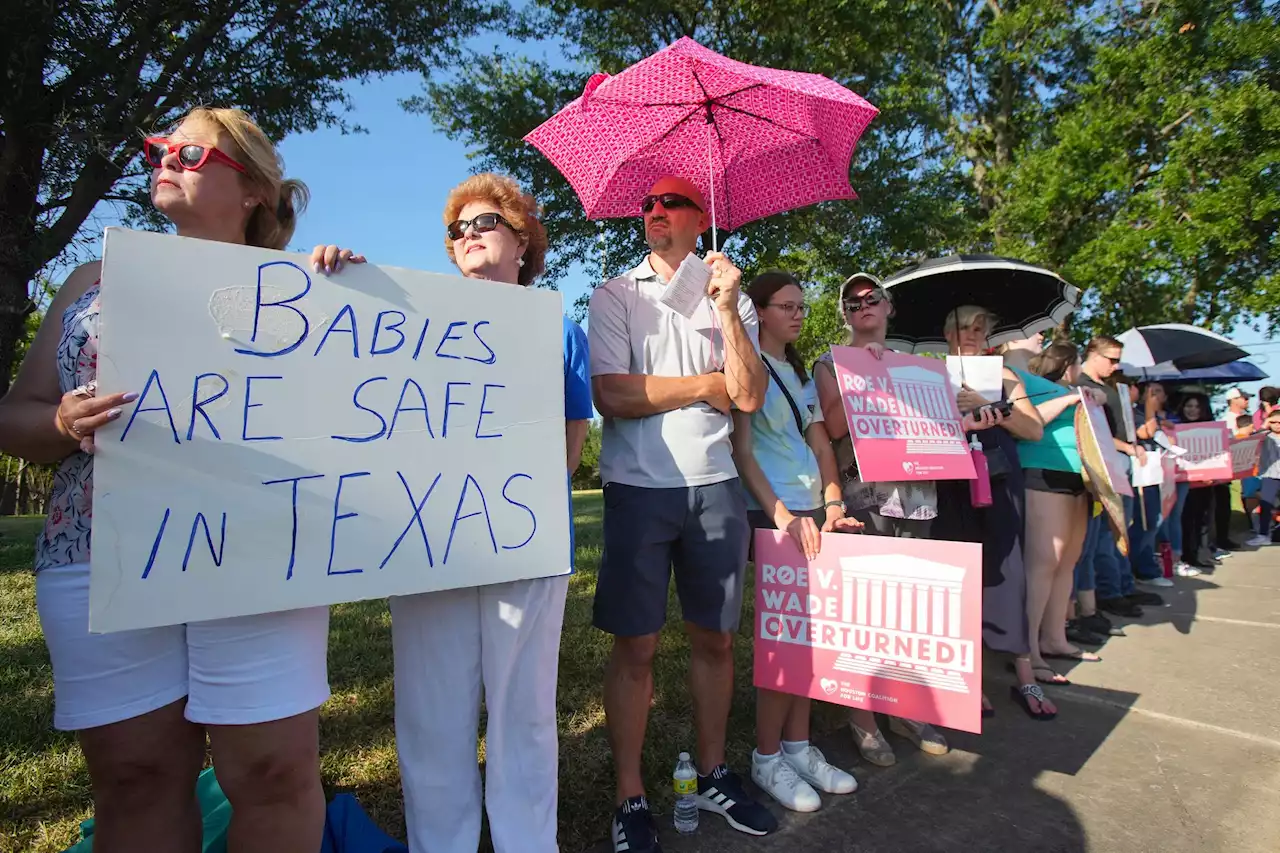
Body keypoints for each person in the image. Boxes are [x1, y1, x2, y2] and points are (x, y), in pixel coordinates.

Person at [0, 107, 327, 853]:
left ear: (251, 189)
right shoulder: (94, 277)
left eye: (188, 151)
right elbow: (14, 414)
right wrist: (59, 424)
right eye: (158, 149)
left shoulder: (305, 290)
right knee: (136, 776)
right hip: (99, 552)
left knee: (275, 772)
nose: (163, 159)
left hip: (260, 551)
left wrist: (348, 287)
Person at [312, 173, 591, 852]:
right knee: (432, 715)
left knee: (523, 713)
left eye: (484, 221)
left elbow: (570, 444)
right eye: (457, 228)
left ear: (523, 240)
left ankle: (529, 840)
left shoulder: (558, 326)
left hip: (522, 543)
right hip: (426, 541)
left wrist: (510, 510)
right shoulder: (412, 318)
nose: (467, 234)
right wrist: (341, 281)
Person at [588, 176, 772, 852]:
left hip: (716, 486)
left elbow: (748, 396)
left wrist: (726, 312)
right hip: (638, 488)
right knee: (635, 645)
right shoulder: (614, 294)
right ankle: (629, 794)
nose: (655, 212)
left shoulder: (734, 297)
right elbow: (612, 393)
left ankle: (716, 768)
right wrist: (702, 384)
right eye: (648, 205)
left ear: (704, 218)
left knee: (716, 639)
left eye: (671, 203)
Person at [732, 272, 861, 813]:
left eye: (802, 307)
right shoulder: (747, 370)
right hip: (776, 515)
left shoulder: (798, 372)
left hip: (815, 513)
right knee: (783, 641)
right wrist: (782, 516)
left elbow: (822, 445)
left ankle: (799, 747)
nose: (799, 315)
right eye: (787, 306)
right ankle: (766, 759)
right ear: (758, 311)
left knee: (811, 639)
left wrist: (833, 503)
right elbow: (742, 452)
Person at [812, 272, 951, 763]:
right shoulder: (830, 362)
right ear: (844, 314)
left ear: (890, 307)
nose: (862, 306)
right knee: (866, 609)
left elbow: (941, 428)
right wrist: (867, 380)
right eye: (852, 302)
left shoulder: (920, 366)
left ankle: (906, 709)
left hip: (918, 494)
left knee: (912, 604)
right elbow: (831, 423)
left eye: (872, 299)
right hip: (863, 493)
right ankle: (863, 719)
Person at [935, 309, 1054, 719]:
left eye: (981, 328)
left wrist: (990, 405)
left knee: (1009, 567)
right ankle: (969, 676)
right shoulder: (931, 374)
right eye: (965, 327)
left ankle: (1025, 673)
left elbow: (1034, 429)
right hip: (951, 482)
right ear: (949, 333)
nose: (973, 334)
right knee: (959, 572)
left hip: (1001, 479)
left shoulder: (1005, 375)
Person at [1073, 336, 1163, 617]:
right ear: (1093, 354)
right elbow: (1095, 432)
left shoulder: (1108, 386)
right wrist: (1127, 447)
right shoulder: (1082, 386)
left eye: (1117, 360)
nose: (1115, 366)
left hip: (1123, 461)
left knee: (1121, 528)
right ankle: (1110, 591)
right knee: (1104, 534)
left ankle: (1123, 585)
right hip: (1108, 463)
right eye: (1111, 359)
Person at [1175, 393, 1219, 569]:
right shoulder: (1175, 427)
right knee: (1185, 519)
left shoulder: (1211, 429)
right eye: (1188, 406)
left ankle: (1201, 553)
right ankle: (1186, 555)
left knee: (1202, 519)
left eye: (1196, 407)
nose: (1192, 410)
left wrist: (1212, 473)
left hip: (1205, 483)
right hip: (1183, 481)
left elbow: (1217, 456)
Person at [1255, 407, 1280, 545]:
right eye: (1274, 422)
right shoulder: (1265, 436)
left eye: (1279, 422)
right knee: (1266, 505)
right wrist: (1265, 424)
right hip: (1269, 475)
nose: (1277, 425)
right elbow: (1252, 437)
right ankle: (1263, 534)